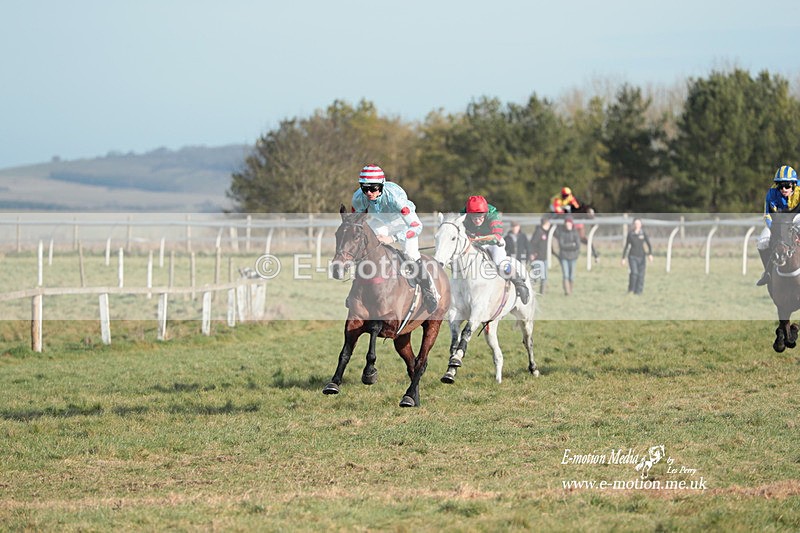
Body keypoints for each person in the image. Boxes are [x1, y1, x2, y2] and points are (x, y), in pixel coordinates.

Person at [351, 164, 438, 312]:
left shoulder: (395, 199)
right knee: (365, 247)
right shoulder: (358, 198)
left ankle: (428, 292)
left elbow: (416, 226)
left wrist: (392, 238)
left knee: (411, 255)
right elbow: (355, 223)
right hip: (381, 222)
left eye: (374, 188)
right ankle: (356, 289)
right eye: (365, 188)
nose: (369, 193)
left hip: (403, 222)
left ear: (382, 186)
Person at [461, 195, 530, 305]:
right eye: (474, 217)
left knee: (499, 263)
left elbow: (497, 236)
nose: (478, 220)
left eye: (481, 217)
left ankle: (519, 282)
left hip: (493, 243)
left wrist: (476, 239)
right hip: (475, 244)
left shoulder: (493, 214)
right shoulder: (463, 214)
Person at [756, 165, 800, 286]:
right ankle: (768, 273)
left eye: (787, 185)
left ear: (794, 184)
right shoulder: (771, 193)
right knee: (762, 241)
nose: (784, 189)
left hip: (797, 219)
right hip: (778, 223)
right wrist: (774, 229)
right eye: (780, 186)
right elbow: (767, 215)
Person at [621, 218, 653, 295]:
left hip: (642, 257)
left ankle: (638, 292)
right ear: (633, 225)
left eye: (638, 224)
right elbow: (626, 246)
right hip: (632, 256)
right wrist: (623, 258)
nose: (637, 225)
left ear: (641, 225)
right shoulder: (630, 234)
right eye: (635, 224)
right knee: (634, 273)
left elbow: (649, 244)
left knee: (641, 275)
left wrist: (650, 254)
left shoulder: (643, 233)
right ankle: (631, 289)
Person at [554, 217, 581, 296]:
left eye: (569, 223)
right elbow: (561, 245)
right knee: (565, 275)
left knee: (571, 276)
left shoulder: (575, 233)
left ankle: (571, 290)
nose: (568, 225)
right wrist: (572, 245)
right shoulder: (562, 233)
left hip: (573, 257)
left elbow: (578, 245)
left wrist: (569, 246)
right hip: (564, 257)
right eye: (567, 223)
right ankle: (567, 291)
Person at [529, 215, 552, 294]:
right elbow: (532, 243)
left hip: (544, 258)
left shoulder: (546, 232)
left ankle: (542, 292)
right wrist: (533, 254)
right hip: (538, 258)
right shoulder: (539, 232)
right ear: (546, 223)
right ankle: (531, 291)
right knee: (535, 276)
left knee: (544, 277)